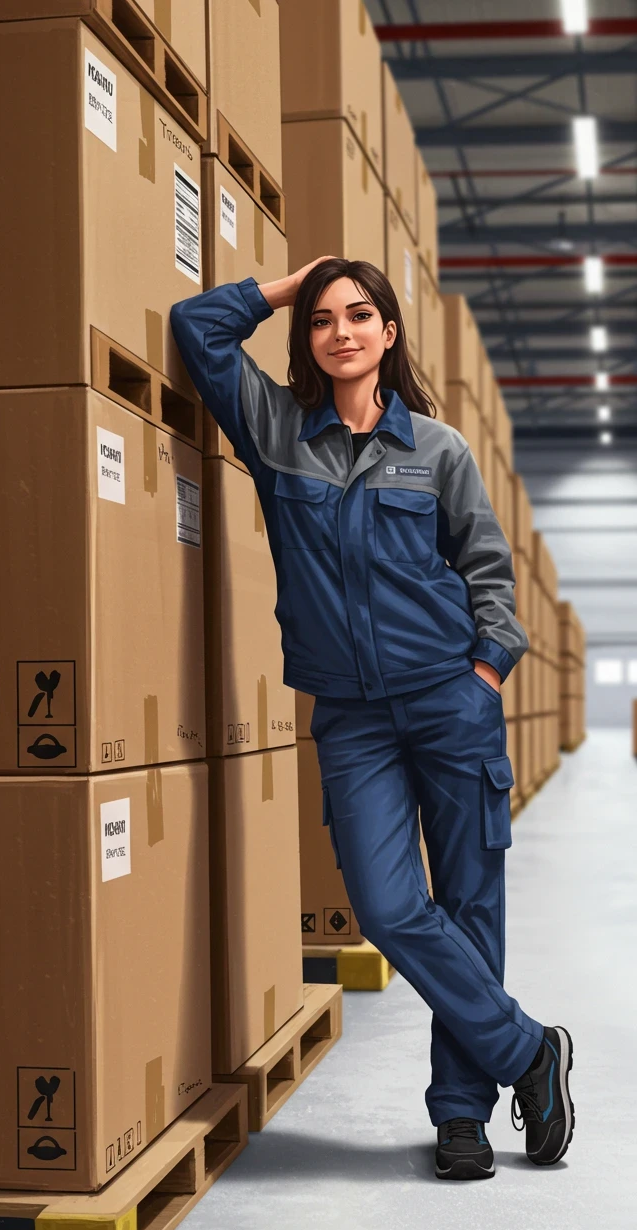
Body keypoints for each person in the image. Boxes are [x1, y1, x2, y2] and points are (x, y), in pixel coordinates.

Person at [170, 257, 574, 1181]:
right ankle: (529, 1052)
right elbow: (197, 328)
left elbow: (488, 575)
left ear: (389, 334)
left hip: (449, 701)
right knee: (390, 909)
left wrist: (484, 673)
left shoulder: (437, 450)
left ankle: (462, 1115)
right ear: (305, 339)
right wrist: (284, 284)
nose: (340, 331)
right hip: (350, 715)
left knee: (470, 908)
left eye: (359, 315)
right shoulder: (277, 430)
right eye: (321, 319)